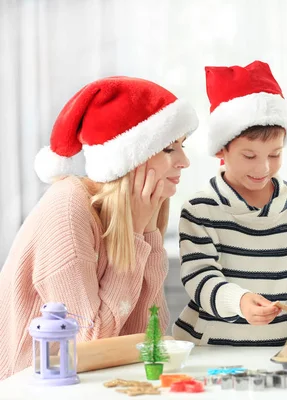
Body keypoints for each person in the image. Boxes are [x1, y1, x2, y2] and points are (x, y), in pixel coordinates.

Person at [0, 76, 198, 379]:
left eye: (182, 146)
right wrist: (135, 235)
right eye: (170, 149)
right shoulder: (68, 209)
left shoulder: (144, 211)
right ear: (133, 158)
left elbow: (146, 336)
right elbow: (89, 346)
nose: (184, 161)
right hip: (30, 385)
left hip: (88, 384)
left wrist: (145, 232)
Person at [173, 61, 287, 346]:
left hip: (280, 348)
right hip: (211, 350)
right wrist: (240, 301)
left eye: (275, 154)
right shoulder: (201, 210)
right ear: (222, 149)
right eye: (250, 156)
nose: (263, 167)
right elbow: (200, 277)